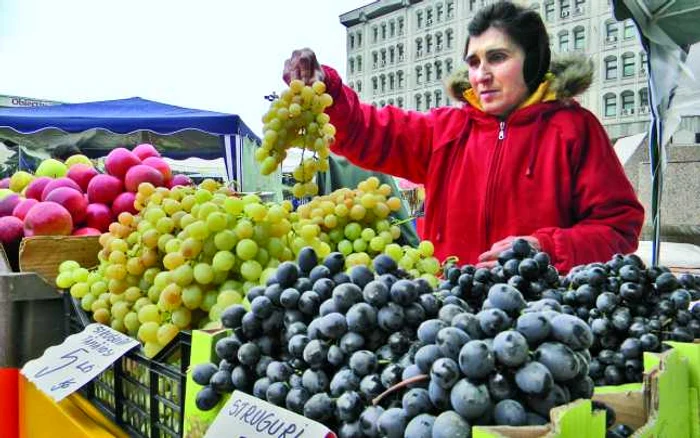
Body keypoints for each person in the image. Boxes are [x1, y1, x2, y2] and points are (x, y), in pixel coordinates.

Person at [282, 1, 644, 273]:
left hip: (540, 322)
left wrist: (545, 247)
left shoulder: (574, 129)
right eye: (473, 62)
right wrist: (325, 87)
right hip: (452, 316)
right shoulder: (446, 130)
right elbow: (367, 130)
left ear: (533, 62)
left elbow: (618, 227)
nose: (481, 74)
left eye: (497, 58)